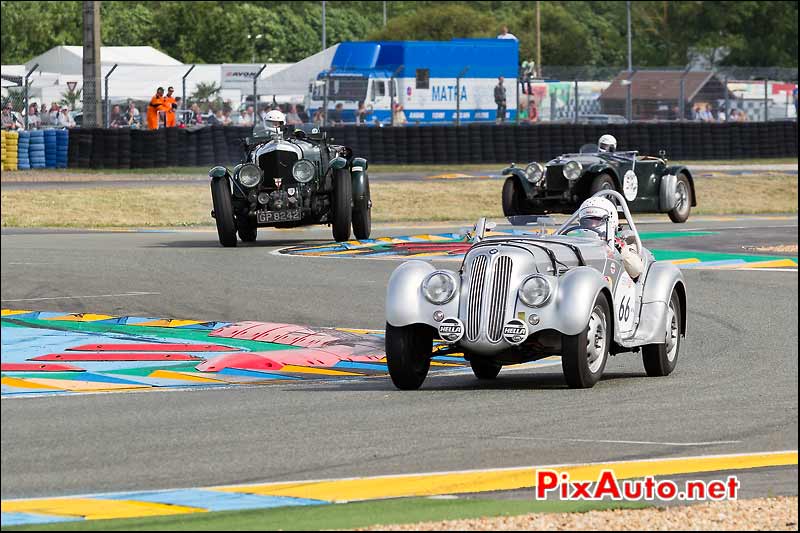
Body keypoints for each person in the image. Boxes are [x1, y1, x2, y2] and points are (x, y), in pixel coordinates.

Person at [577, 197, 643, 280]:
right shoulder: (578, 244)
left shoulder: (621, 246)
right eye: (587, 222)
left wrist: (620, 250)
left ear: (611, 220)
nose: (591, 226)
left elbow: (636, 270)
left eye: (596, 221)